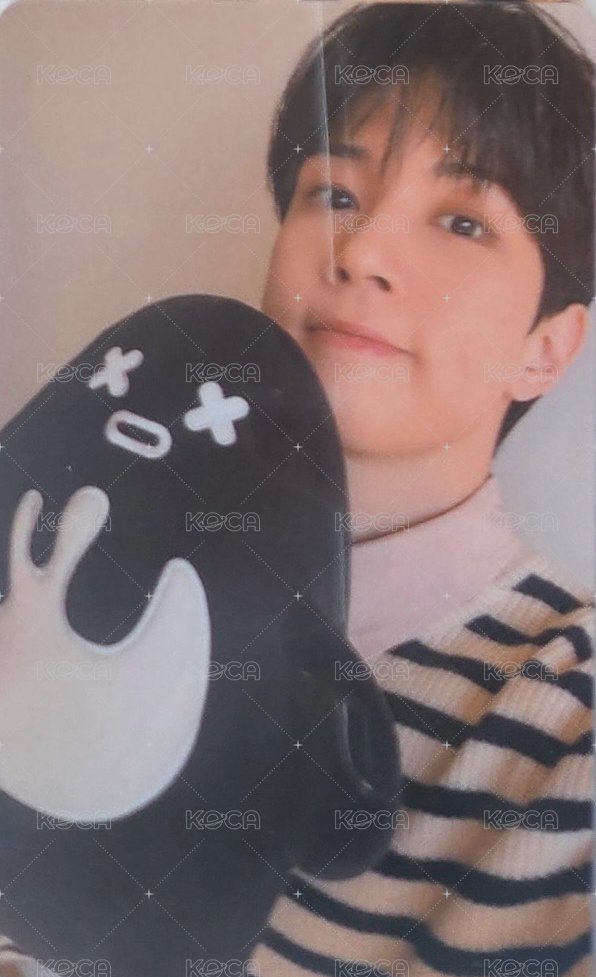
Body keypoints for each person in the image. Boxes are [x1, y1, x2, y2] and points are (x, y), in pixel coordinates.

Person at [248, 2, 594, 975]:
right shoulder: (90, 576)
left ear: (545, 347)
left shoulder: (568, 721)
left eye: (461, 220)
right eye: (333, 192)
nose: (358, 252)